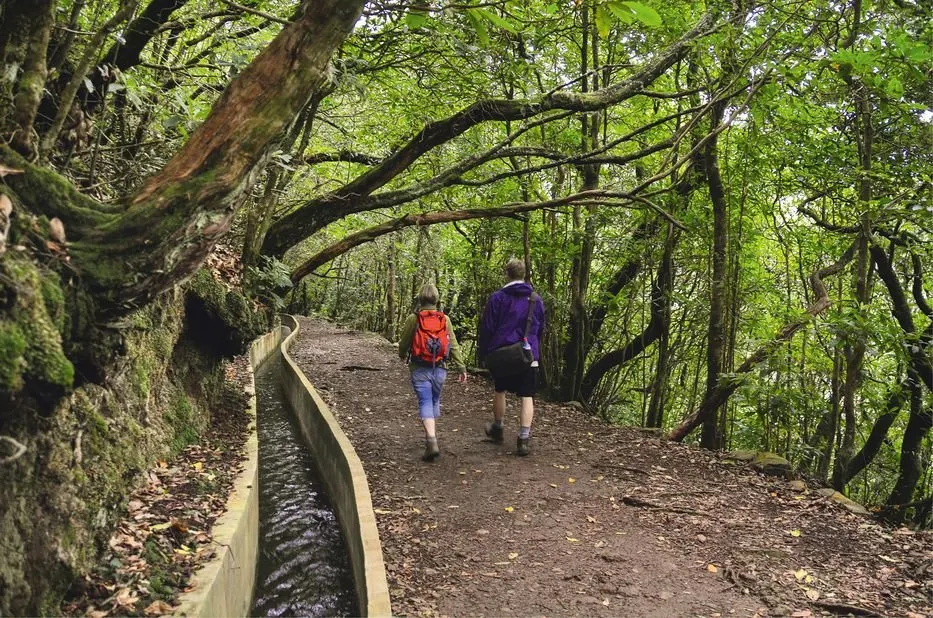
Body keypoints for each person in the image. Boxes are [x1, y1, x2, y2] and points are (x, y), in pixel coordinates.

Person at [478, 258, 545, 456]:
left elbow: (488, 327)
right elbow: (540, 327)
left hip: (503, 354)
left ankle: (498, 428)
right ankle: (523, 438)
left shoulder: (498, 298)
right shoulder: (535, 299)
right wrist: (535, 349)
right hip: (527, 354)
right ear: (524, 274)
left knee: (500, 390)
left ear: (507, 273)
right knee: (527, 396)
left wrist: (485, 353)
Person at [398, 283, 467, 461]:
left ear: (420, 298)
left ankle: (431, 441)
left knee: (425, 401)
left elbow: (404, 342)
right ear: (436, 299)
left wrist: (402, 354)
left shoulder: (413, 318)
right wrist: (461, 367)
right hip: (440, 369)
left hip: (420, 367)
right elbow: (453, 345)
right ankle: (432, 434)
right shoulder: (445, 319)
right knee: (434, 400)